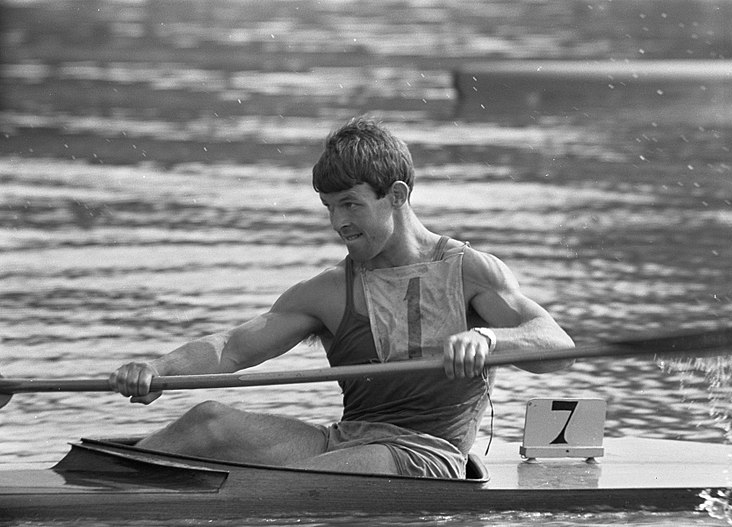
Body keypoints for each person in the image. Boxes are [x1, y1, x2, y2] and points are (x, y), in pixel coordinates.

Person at [110, 117, 574, 479]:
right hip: (346, 442)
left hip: (428, 456)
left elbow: (557, 349)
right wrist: (158, 370)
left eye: (351, 204)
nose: (339, 223)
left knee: (298, 480)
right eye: (330, 208)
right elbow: (232, 348)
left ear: (396, 195)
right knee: (207, 420)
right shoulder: (330, 290)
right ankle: (98, 489)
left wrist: (489, 341)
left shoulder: (470, 271)